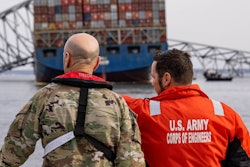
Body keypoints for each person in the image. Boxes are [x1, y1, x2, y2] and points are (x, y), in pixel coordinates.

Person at [0, 33, 145, 167]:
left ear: (67, 58)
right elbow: (131, 161)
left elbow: (11, 155)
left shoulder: (43, 97)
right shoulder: (118, 103)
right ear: (97, 62)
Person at [122, 49, 250, 167]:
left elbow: (108, 98)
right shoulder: (225, 114)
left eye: (154, 77)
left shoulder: (144, 112)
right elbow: (243, 160)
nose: (152, 82)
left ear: (166, 79)